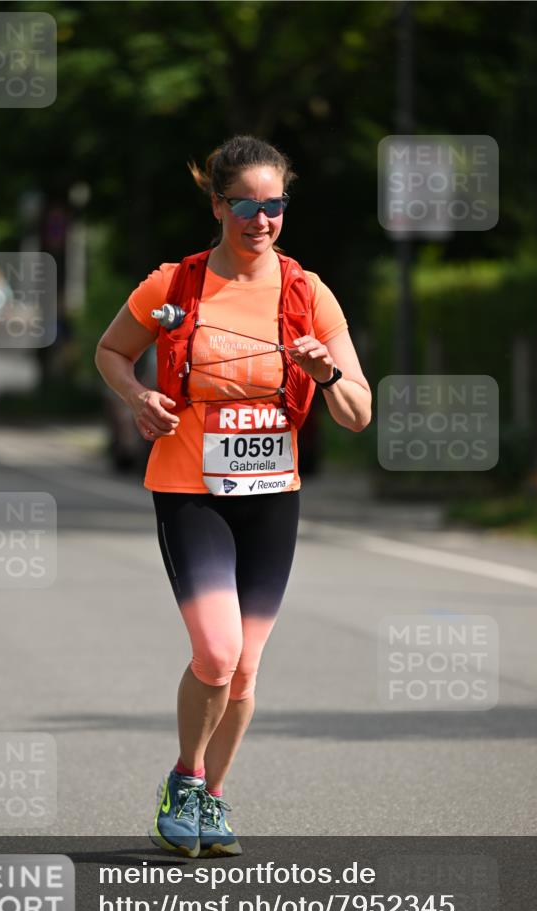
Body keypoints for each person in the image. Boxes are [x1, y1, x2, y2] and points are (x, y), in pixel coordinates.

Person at [95, 135, 371, 858]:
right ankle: (183, 781)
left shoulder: (308, 294)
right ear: (218, 204)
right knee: (215, 654)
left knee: (246, 666)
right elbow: (110, 350)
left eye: (273, 205)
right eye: (245, 205)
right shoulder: (173, 286)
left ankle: (212, 799)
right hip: (190, 490)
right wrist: (136, 397)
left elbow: (358, 413)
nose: (261, 220)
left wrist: (329, 372)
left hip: (271, 496)